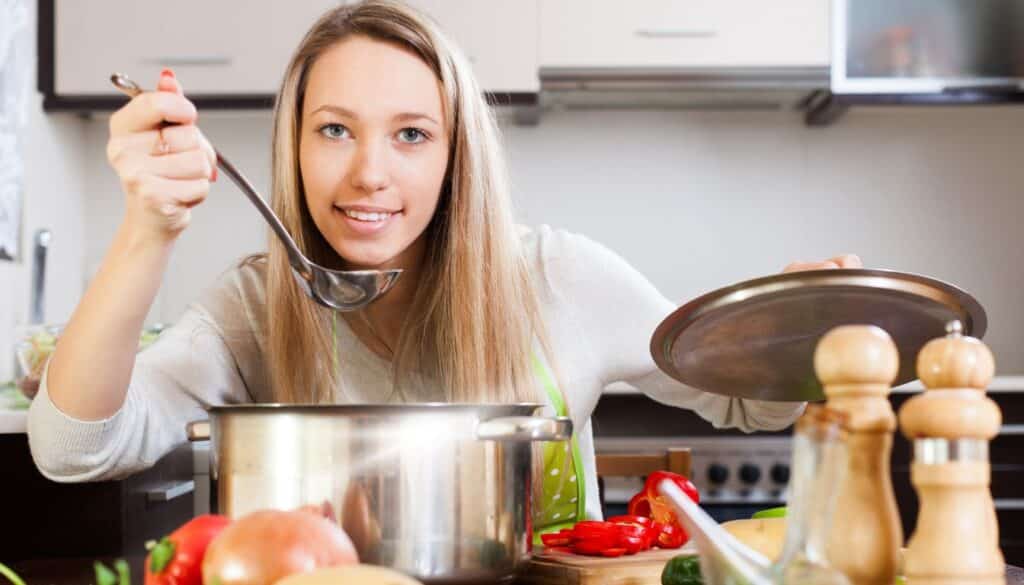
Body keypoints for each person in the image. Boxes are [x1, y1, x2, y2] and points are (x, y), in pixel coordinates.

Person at [26, 0, 860, 535]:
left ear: (457, 154)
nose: (370, 175)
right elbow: (73, 447)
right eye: (335, 129)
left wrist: (802, 323)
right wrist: (147, 229)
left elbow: (743, 396)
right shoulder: (258, 305)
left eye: (412, 134)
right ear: (294, 144)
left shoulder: (556, 277)